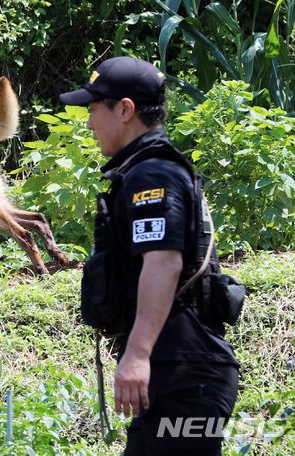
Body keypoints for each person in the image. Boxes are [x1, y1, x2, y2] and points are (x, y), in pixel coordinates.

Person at [59, 56, 241, 455]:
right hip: (178, 368)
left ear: (125, 110)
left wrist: (138, 356)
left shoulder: (152, 175)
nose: (89, 123)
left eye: (93, 110)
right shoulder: (145, 171)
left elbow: (164, 261)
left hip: (185, 369)